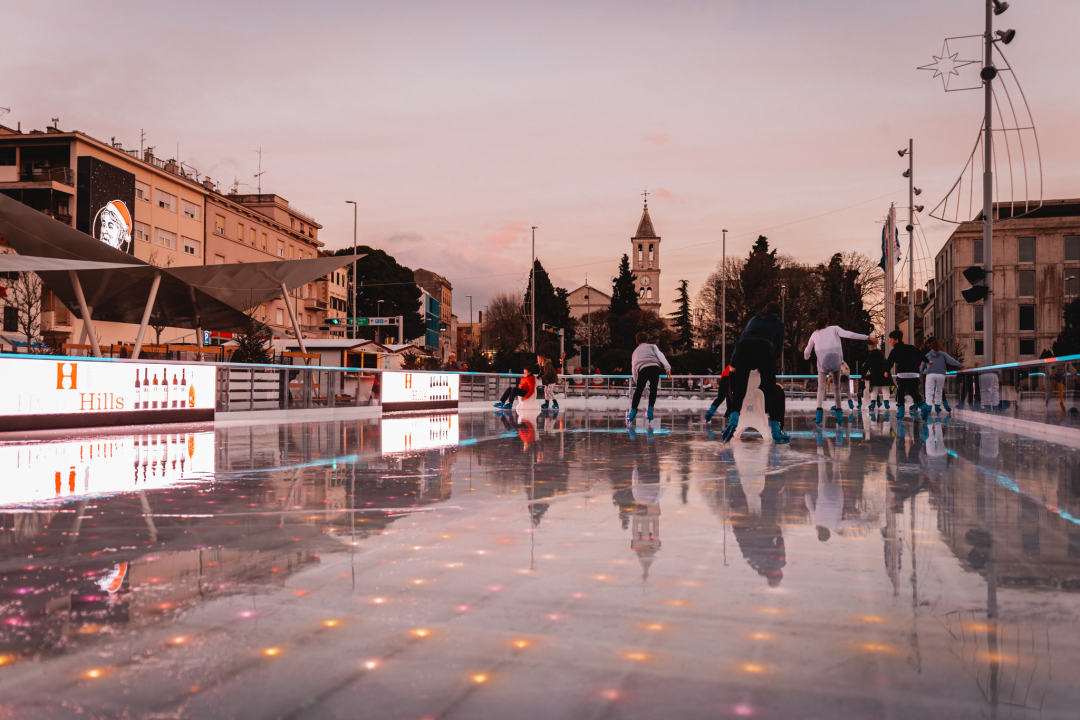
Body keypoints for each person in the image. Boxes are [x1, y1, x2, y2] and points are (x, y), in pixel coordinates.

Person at [723, 301, 789, 444]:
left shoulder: (754, 319)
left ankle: (733, 421)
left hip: (744, 348)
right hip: (763, 347)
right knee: (771, 390)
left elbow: (739, 342)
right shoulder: (779, 324)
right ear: (777, 313)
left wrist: (733, 364)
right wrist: (768, 362)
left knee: (740, 389)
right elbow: (778, 349)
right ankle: (776, 432)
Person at [803, 313, 875, 425]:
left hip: (823, 363)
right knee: (836, 387)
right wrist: (867, 337)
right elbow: (850, 335)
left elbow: (807, 351)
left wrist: (807, 357)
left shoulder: (814, 334)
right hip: (836, 362)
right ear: (827, 322)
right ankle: (839, 413)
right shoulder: (835, 328)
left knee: (821, 388)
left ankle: (819, 413)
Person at [885, 330, 929, 421]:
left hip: (903, 374)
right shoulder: (911, 347)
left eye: (891, 340)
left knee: (901, 393)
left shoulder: (895, 351)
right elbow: (920, 355)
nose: (890, 341)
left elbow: (889, 362)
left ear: (897, 340)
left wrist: (886, 371)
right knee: (913, 392)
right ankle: (923, 406)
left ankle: (900, 413)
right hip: (914, 373)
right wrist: (928, 361)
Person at [628, 332, 671, 422]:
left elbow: (634, 366)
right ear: (647, 340)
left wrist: (637, 380)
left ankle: (633, 411)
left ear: (637, 341)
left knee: (638, 391)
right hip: (654, 367)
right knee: (653, 389)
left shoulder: (635, 351)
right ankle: (650, 410)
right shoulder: (652, 346)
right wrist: (667, 368)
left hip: (642, 369)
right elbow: (660, 355)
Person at [921, 337, 963, 414]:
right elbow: (951, 361)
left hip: (929, 374)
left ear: (930, 347)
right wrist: (961, 366)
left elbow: (922, 364)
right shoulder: (943, 354)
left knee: (928, 391)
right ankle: (938, 406)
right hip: (941, 374)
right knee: (939, 390)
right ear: (939, 346)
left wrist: (921, 375)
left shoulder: (926, 353)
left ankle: (928, 407)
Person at [864, 340, 892, 412]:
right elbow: (888, 366)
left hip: (874, 376)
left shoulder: (870, 358)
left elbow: (865, 367)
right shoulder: (883, 358)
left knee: (874, 389)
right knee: (885, 389)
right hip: (884, 376)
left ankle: (873, 404)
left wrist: (862, 376)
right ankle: (886, 403)